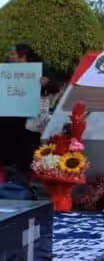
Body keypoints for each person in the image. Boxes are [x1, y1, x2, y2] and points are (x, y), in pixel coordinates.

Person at [0, 43, 62, 181]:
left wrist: (46, 83)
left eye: (13, 54)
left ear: (23, 56)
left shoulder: (40, 68)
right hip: (10, 118)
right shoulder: (6, 69)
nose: (10, 56)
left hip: (30, 120)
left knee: (28, 148)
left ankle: (27, 178)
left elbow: (55, 87)